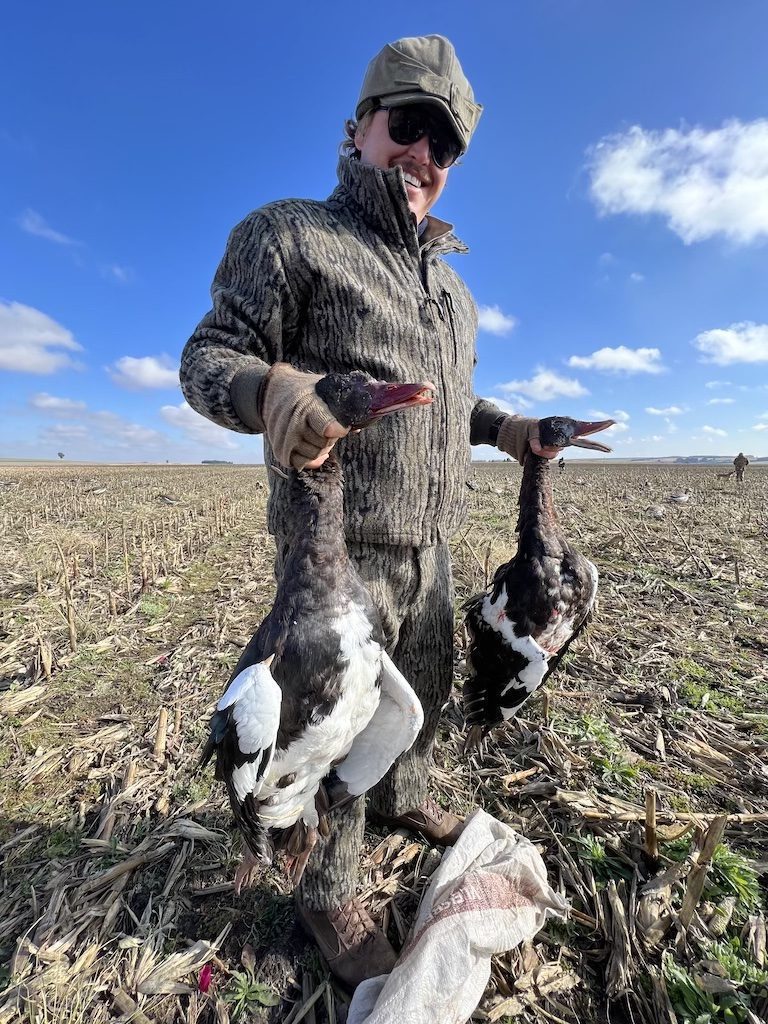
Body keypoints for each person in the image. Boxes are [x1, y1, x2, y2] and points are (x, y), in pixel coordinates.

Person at [180, 34, 564, 988]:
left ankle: (407, 792)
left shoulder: (454, 294)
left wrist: (511, 430)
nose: (424, 156)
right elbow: (207, 358)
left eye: (446, 145)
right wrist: (274, 395)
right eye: (408, 126)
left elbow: (447, 399)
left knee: (420, 698)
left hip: (433, 542)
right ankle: (328, 893)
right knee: (332, 727)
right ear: (358, 128)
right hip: (334, 553)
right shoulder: (290, 236)